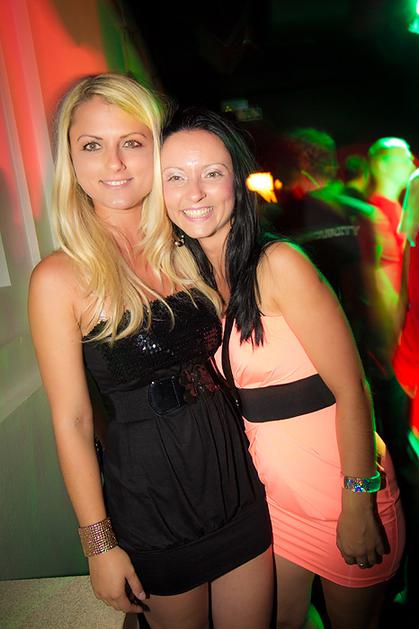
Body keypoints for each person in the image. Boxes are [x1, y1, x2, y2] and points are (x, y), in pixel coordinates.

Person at [28, 74, 274, 629]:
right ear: (71, 160)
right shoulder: (59, 279)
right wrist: (99, 544)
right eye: (92, 145)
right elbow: (72, 421)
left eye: (132, 142)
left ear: (155, 149)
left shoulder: (189, 246)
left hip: (235, 480)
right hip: (153, 503)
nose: (114, 163)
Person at [161, 108, 405, 629]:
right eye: (175, 177)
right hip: (269, 501)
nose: (194, 192)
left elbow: (353, 388)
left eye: (211, 173)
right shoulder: (189, 280)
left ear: (237, 180)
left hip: (339, 489)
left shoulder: (279, 264)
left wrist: (358, 501)